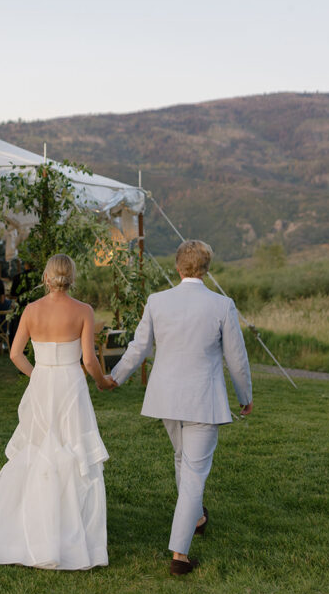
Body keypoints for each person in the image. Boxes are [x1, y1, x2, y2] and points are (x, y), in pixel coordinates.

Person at [0, 253, 113, 569]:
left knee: (38, 450)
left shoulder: (31, 310)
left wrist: (38, 375)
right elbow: (90, 361)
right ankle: (71, 528)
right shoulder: (83, 311)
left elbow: (14, 354)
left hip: (42, 385)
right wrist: (102, 382)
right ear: (72, 277)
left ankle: (33, 524)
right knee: (74, 450)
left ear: (46, 278)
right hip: (71, 386)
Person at [107, 239, 253, 576]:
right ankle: (179, 556)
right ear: (206, 268)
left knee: (181, 459)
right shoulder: (222, 305)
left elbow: (138, 347)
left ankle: (198, 518)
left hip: (166, 399)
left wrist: (116, 376)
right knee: (193, 474)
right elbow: (237, 359)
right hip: (203, 399)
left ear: (177, 267)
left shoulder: (158, 301)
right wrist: (245, 396)